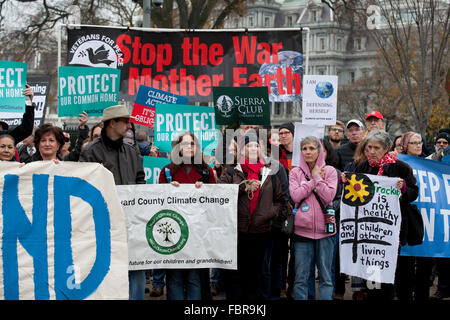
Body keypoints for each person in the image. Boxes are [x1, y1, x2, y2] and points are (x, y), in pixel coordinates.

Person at [342, 130, 418, 300]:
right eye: (369, 147)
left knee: (387, 276)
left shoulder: (401, 168)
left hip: (390, 232)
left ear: (386, 148)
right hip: (368, 231)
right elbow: (356, 196)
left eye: (376, 148)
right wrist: (347, 183)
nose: (372, 151)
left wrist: (404, 188)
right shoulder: (362, 167)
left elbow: (413, 194)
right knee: (370, 276)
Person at [79, 105, 146, 300]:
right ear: (112, 123)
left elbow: (140, 179)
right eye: (124, 121)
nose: (128, 125)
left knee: (137, 267)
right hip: (103, 224)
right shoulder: (91, 151)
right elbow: (84, 187)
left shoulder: (131, 151)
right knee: (108, 271)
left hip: (131, 223)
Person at [218, 132, 285, 300]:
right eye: (249, 146)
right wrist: (242, 188)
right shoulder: (231, 172)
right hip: (237, 231)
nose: (253, 148)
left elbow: (280, 199)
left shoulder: (270, 173)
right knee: (235, 273)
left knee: (256, 273)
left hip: (261, 231)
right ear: (242, 151)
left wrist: (271, 213)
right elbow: (220, 195)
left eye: (256, 145)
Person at [158, 131, 215, 300]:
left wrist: (205, 191)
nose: (189, 147)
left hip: (198, 233)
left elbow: (215, 202)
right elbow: (158, 202)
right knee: (174, 277)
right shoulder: (167, 172)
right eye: (184, 144)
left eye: (192, 144)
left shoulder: (206, 171)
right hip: (174, 232)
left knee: (194, 277)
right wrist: (169, 190)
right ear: (178, 148)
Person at [289, 136, 338, 300]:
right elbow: (295, 196)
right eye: (304, 149)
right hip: (302, 232)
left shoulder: (329, 171)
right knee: (300, 278)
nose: (308, 152)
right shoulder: (295, 172)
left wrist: (318, 177)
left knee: (326, 277)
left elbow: (329, 196)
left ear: (319, 151)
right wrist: (312, 181)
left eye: (312, 148)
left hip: (326, 231)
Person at [395, 131, 433, 301]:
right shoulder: (398, 163)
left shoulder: (431, 164)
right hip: (405, 219)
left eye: (420, 142)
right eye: (414, 143)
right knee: (406, 267)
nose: (419, 145)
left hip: (428, 218)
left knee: (425, 266)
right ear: (405, 146)